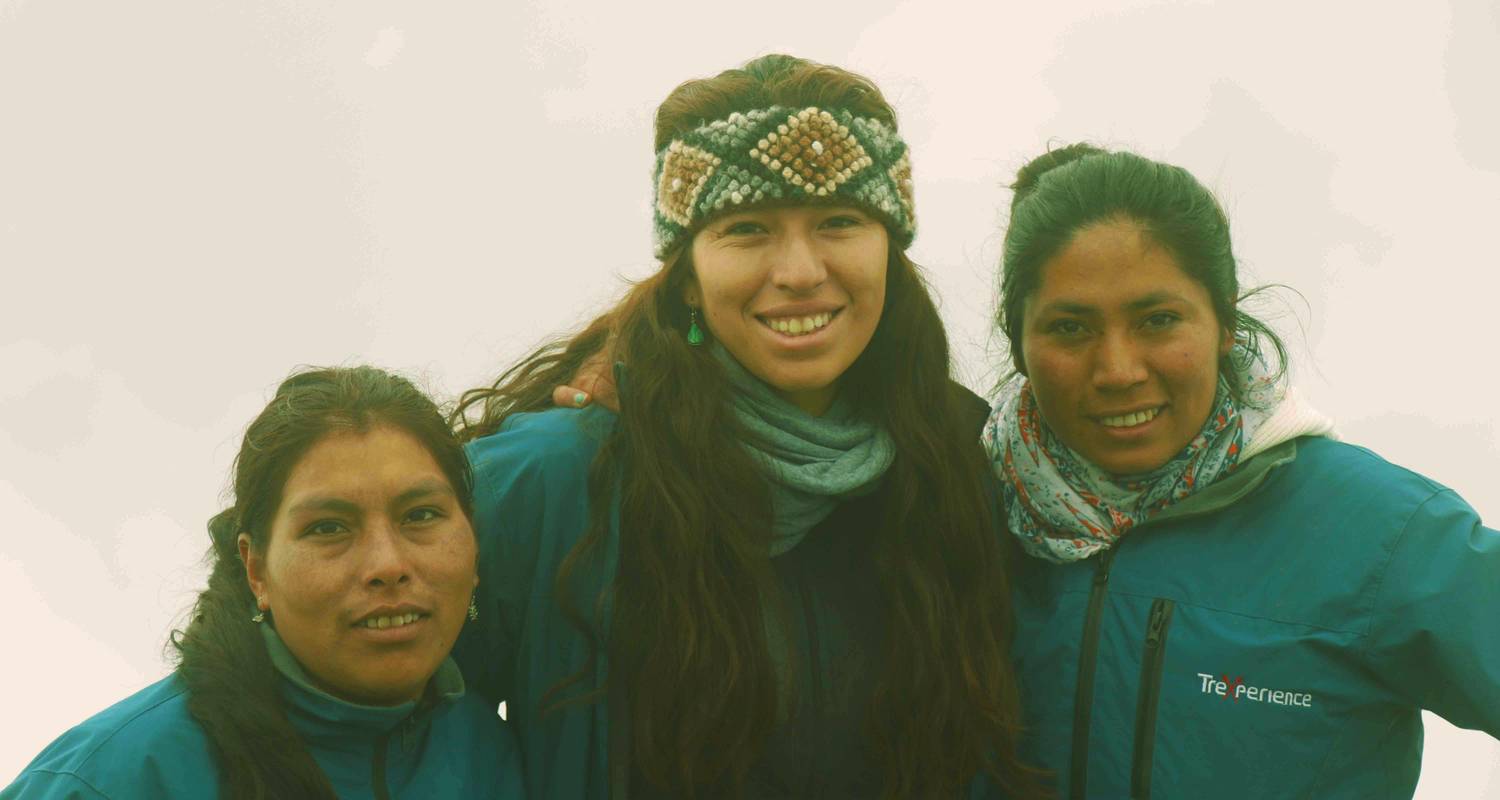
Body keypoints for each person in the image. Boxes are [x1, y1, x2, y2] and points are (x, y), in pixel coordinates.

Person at [451, 54, 1040, 798]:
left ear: (890, 249)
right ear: (688, 276)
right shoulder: (561, 478)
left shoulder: (961, 461)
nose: (798, 270)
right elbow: (364, 702)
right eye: (747, 229)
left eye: (838, 222)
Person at [986, 143, 1500, 798]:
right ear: (1019, 340)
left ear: (1225, 320)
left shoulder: (1379, 535)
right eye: (1070, 327)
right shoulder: (956, 517)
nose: (1118, 370)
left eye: (1158, 319)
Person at [2, 367, 524, 799]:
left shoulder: (492, 758)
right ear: (256, 569)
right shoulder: (110, 782)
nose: (387, 564)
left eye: (421, 514)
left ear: (474, 541)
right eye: (329, 527)